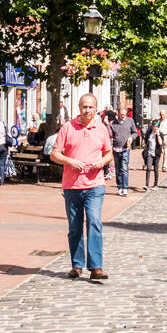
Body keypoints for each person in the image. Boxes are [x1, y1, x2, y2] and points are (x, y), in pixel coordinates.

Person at [49, 93, 112, 281]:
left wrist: (101, 162)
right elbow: (54, 154)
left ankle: (96, 267)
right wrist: (70, 161)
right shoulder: (67, 128)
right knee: (75, 227)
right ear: (79, 107)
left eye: (91, 107)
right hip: (72, 186)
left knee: (94, 222)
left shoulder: (101, 129)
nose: (87, 110)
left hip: (94, 185)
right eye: (84, 107)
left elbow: (109, 154)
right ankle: (77, 265)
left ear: (96, 109)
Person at [108, 106, 138, 196]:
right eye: (121, 114)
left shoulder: (130, 121)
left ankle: (125, 188)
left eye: (124, 114)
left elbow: (135, 132)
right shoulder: (114, 123)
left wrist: (131, 138)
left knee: (124, 168)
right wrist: (108, 126)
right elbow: (111, 135)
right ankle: (119, 187)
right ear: (118, 113)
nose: (122, 116)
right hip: (116, 148)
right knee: (118, 170)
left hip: (125, 148)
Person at [141, 120, 162, 190]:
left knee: (156, 169)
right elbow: (146, 140)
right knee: (148, 168)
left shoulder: (160, 133)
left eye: (157, 126)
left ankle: (156, 184)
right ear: (152, 126)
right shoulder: (150, 133)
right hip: (149, 152)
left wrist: (158, 134)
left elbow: (160, 143)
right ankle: (146, 184)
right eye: (154, 126)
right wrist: (144, 143)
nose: (155, 128)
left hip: (157, 153)